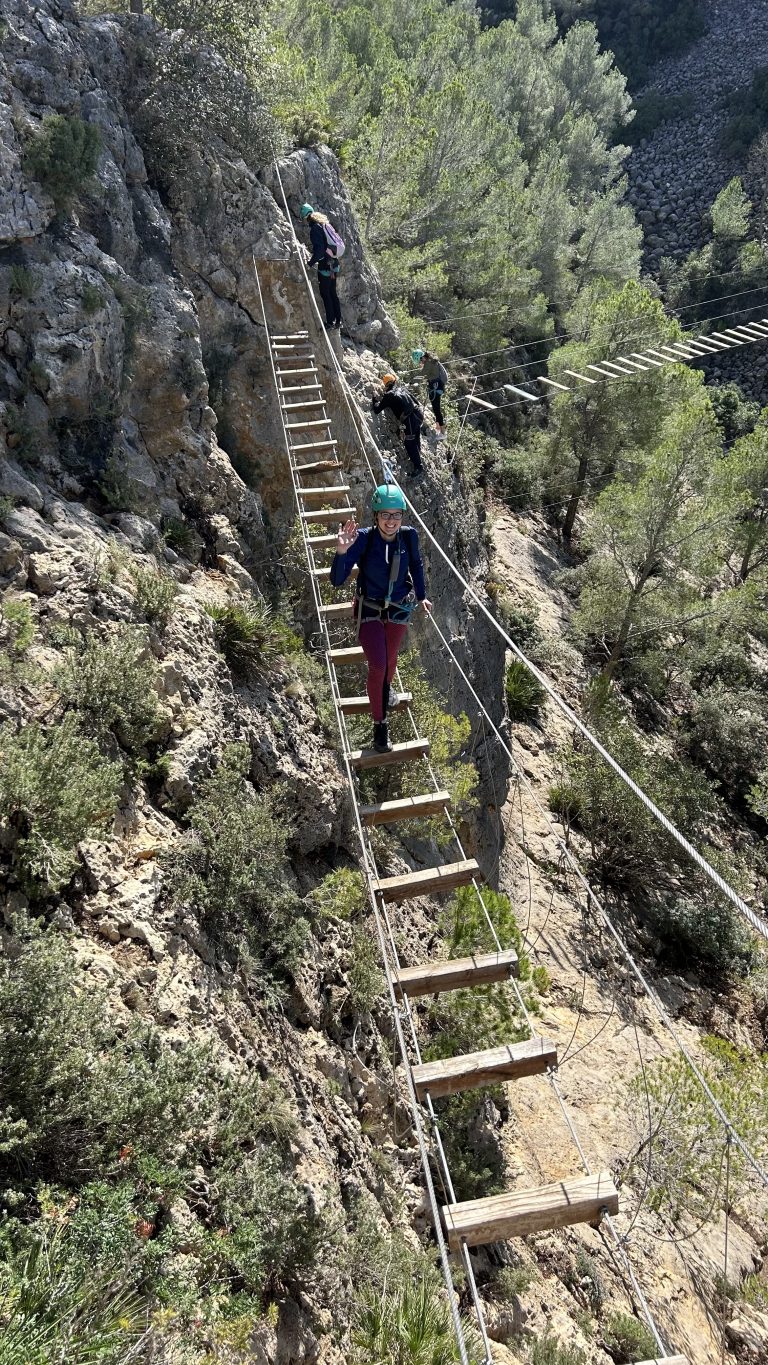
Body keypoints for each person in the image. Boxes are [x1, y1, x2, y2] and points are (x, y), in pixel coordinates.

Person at [331, 484, 432, 753]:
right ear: (376, 516)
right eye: (385, 514)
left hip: (398, 608)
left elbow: (416, 565)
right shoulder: (364, 539)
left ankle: (385, 690)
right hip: (369, 609)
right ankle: (380, 727)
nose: (391, 521)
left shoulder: (408, 536)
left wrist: (422, 596)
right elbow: (337, 580)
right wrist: (341, 552)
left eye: (396, 515)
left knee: (390, 660)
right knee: (378, 664)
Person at [300, 202, 342, 330]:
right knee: (333, 293)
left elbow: (319, 250)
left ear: (306, 217)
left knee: (325, 294)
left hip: (325, 266)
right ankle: (338, 321)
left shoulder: (315, 229)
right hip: (334, 263)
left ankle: (330, 322)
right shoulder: (324, 224)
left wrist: (310, 263)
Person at [371, 374, 424, 476]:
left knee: (409, 442)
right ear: (394, 381)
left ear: (386, 385)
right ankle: (418, 452)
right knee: (416, 434)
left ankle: (418, 466)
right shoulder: (402, 389)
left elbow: (377, 410)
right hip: (418, 414)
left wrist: (374, 399)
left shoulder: (389, 395)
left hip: (409, 419)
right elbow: (416, 401)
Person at [412, 348, 448, 438]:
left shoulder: (429, 363)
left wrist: (410, 382)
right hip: (435, 386)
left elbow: (422, 375)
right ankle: (439, 429)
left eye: (420, 360)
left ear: (422, 357)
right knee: (435, 408)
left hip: (436, 387)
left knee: (437, 409)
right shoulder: (431, 361)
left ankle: (443, 433)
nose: (420, 363)